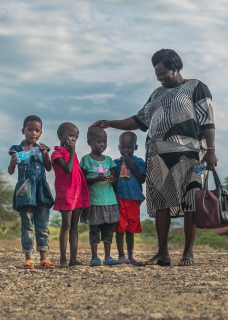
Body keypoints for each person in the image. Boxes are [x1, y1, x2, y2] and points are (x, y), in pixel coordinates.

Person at [91, 49, 217, 266]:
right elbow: (139, 121)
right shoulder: (157, 94)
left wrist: (211, 149)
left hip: (191, 155)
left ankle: (188, 253)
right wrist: (111, 123)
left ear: (175, 68)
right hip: (158, 156)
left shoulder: (196, 87)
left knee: (191, 202)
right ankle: (162, 253)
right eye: (156, 74)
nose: (159, 78)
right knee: (161, 201)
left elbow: (207, 120)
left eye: (163, 73)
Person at [8, 115, 55, 270]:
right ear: (23, 131)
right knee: (27, 224)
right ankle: (28, 257)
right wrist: (13, 162)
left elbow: (48, 168)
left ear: (40, 133)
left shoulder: (43, 149)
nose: (33, 133)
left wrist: (46, 154)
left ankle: (44, 258)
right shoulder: (17, 149)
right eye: (30, 129)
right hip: (25, 189)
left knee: (42, 224)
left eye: (37, 130)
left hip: (41, 189)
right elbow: (10, 171)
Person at [79, 127, 120, 267]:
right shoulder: (85, 160)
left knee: (108, 230)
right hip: (94, 201)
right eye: (99, 141)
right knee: (94, 230)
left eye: (104, 141)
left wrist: (110, 179)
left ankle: (108, 256)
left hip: (109, 201)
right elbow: (82, 180)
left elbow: (115, 179)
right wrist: (97, 179)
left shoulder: (109, 160)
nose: (102, 144)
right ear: (89, 142)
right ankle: (95, 257)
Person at [51, 122, 90, 268]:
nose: (74, 139)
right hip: (66, 194)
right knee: (66, 225)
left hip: (78, 194)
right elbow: (67, 169)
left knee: (75, 226)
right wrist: (72, 152)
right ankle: (62, 259)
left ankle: (73, 259)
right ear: (61, 136)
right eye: (71, 136)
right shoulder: (57, 154)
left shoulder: (73, 154)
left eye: (76, 137)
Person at [113, 132, 146, 266]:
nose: (126, 150)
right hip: (120, 199)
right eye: (123, 147)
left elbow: (142, 179)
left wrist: (131, 165)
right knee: (120, 227)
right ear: (119, 147)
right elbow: (114, 181)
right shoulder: (115, 163)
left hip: (134, 199)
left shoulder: (139, 162)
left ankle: (131, 257)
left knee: (131, 228)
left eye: (129, 147)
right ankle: (121, 256)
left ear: (135, 147)